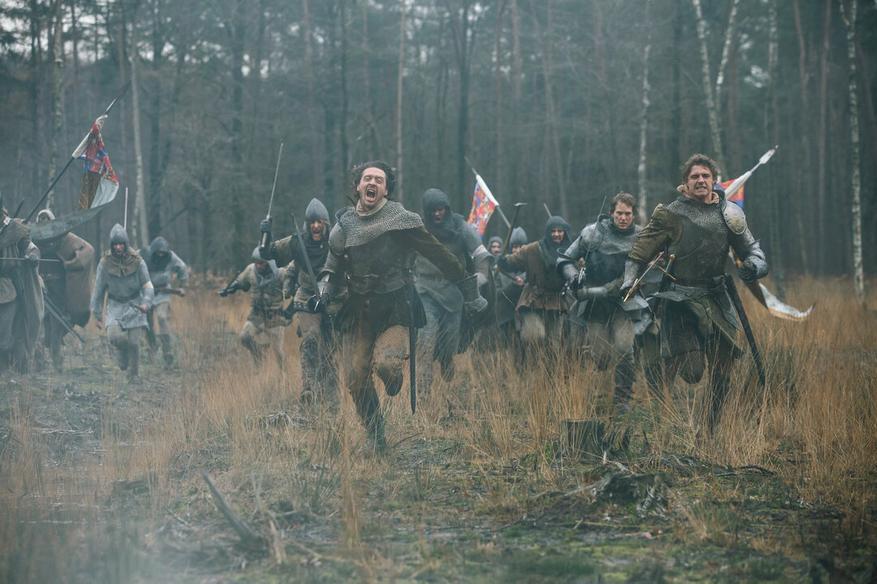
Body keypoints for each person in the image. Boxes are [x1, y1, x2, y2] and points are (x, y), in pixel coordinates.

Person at [318, 161, 464, 451]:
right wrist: (323, 291)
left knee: (386, 364)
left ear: (386, 190)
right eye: (367, 179)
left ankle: (393, 376)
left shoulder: (401, 219)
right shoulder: (343, 226)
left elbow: (437, 252)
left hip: (396, 307)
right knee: (355, 378)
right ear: (358, 186)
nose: (372, 183)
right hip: (360, 309)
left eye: (379, 180)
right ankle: (375, 434)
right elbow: (331, 267)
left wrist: (465, 282)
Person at [622, 153, 768, 433]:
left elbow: (752, 249)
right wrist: (629, 280)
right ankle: (660, 391)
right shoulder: (671, 214)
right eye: (695, 176)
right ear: (685, 183)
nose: (700, 180)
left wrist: (754, 265)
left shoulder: (729, 214)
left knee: (724, 370)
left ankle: (709, 428)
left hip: (717, 297)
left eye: (705, 176)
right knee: (692, 371)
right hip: (680, 299)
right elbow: (638, 253)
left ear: (714, 180)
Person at [558, 193, 647, 412]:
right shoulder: (593, 233)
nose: (623, 218)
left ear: (633, 215)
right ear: (611, 213)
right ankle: (599, 393)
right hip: (594, 303)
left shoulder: (642, 237)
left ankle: (622, 399)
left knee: (624, 348)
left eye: (628, 214)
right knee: (601, 357)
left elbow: (647, 269)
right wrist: (573, 277)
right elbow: (565, 259)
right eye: (619, 213)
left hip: (624, 302)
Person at [260, 197, 341, 405]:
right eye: (312, 222)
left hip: (332, 301)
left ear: (325, 223)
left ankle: (331, 402)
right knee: (311, 339)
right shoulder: (297, 242)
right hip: (306, 299)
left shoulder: (336, 242)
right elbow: (268, 252)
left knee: (330, 351)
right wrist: (266, 234)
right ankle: (308, 389)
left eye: (319, 222)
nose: (315, 226)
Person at [414, 188, 491, 396]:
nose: (437, 214)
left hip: (453, 294)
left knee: (449, 344)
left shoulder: (460, 227)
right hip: (425, 292)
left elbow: (481, 255)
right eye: (433, 211)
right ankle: (423, 394)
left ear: (447, 209)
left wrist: (479, 279)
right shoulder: (419, 228)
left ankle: (446, 359)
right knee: (425, 343)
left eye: (441, 210)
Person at [497, 216, 572, 356]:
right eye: (553, 231)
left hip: (556, 302)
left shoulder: (570, 251)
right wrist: (503, 261)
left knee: (554, 345)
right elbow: (513, 261)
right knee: (535, 335)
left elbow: (580, 268)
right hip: (533, 300)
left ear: (564, 232)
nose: (556, 234)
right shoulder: (532, 249)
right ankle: (528, 361)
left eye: (560, 231)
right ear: (547, 232)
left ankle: (546, 369)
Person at [90, 224, 154, 382]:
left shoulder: (138, 261)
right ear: (111, 245)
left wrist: (146, 303)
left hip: (135, 305)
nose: (118, 247)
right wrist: (97, 314)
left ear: (126, 244)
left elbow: (148, 286)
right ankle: (122, 351)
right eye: (115, 244)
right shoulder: (105, 263)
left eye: (121, 244)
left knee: (134, 343)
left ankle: (134, 375)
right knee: (114, 336)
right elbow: (98, 290)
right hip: (115, 306)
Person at [34, 209, 95, 371]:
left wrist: (72, 263)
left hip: (59, 291)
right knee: (39, 329)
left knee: (56, 328)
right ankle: (38, 365)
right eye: (41, 221)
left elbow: (88, 250)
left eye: (47, 220)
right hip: (40, 289)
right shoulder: (34, 240)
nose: (44, 223)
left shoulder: (64, 238)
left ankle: (57, 364)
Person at [219, 247, 294, 367]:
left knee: (278, 353)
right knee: (245, 337)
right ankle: (258, 355)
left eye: (261, 263)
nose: (258, 265)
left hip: (275, 316)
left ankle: (283, 375)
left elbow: (294, 290)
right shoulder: (250, 270)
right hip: (256, 315)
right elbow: (240, 282)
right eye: (256, 262)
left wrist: (290, 311)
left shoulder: (281, 273)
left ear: (269, 262)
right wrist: (230, 289)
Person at [0, 203, 44, 373]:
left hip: (7, 289)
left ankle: (8, 369)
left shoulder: (15, 230)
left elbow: (31, 248)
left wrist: (32, 256)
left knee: (5, 334)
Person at [145, 236, 189, 366]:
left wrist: (182, 285)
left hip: (163, 293)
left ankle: (167, 350)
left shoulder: (171, 257)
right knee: (147, 323)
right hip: (147, 293)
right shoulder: (144, 255)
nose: (160, 255)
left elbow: (182, 267)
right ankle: (152, 345)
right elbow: (131, 263)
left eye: (162, 253)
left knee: (162, 317)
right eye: (158, 252)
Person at [485, 228, 527, 349]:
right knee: (508, 347)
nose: (517, 250)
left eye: (520, 246)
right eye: (514, 247)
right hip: (506, 316)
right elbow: (496, 293)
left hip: (525, 315)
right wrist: (512, 286)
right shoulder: (501, 267)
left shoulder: (531, 265)